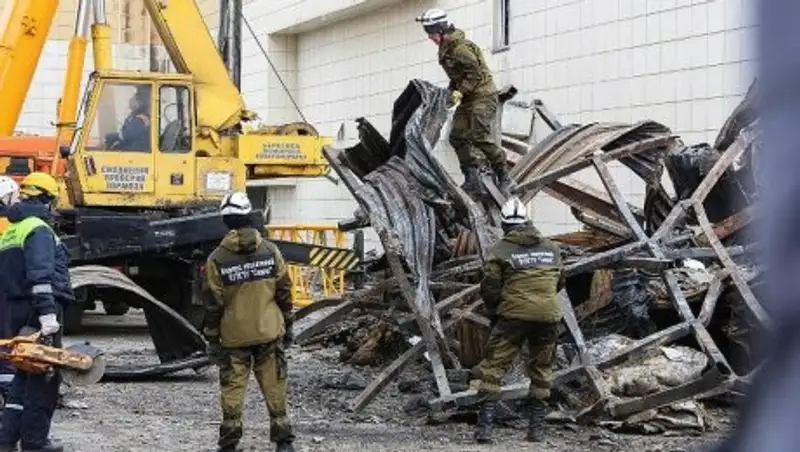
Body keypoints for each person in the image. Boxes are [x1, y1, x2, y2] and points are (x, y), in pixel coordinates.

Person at [203, 191, 296, 452]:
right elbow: (285, 292)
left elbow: (213, 303)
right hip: (269, 332)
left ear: (225, 221)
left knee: (232, 388)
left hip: (234, 337)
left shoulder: (217, 260)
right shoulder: (270, 250)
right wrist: (288, 325)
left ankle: (229, 444)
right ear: (248, 217)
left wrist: (212, 339)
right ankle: (284, 443)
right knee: (274, 384)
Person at [469, 196, 564, 444]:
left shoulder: (500, 250)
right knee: (542, 369)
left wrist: (495, 311)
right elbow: (560, 281)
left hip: (513, 316)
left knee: (493, 367)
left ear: (504, 224)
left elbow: (489, 287)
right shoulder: (552, 248)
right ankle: (536, 431)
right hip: (548, 316)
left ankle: (484, 431)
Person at [0, 172, 73, 452]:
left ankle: (7, 439)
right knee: (44, 377)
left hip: (18, 310)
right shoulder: (38, 229)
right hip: (39, 311)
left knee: (23, 374)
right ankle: (35, 443)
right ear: (47, 199)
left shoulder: (12, 230)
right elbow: (40, 275)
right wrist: (48, 317)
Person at [415, 8, 515, 198]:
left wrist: (460, 92)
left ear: (442, 30)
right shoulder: (446, 48)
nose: (431, 39)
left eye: (433, 34)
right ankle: (472, 179)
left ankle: (504, 176)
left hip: (483, 96)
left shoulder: (461, 48)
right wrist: (450, 93)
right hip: (468, 97)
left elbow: (475, 75)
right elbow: (457, 76)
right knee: (457, 136)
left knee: (479, 137)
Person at [106, 86, 151, 152]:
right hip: (133, 147)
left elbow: (127, 135)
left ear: (139, 103)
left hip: (136, 151)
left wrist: (112, 136)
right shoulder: (135, 116)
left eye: (133, 99)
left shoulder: (140, 119)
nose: (130, 100)